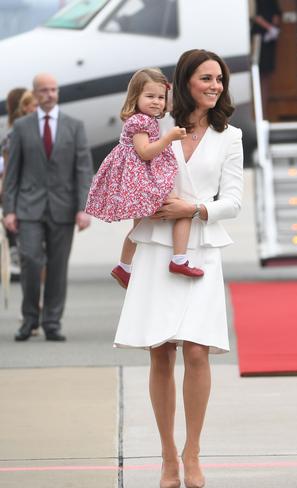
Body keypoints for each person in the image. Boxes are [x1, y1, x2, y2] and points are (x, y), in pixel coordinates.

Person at [113, 49, 243, 488]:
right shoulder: (155, 128)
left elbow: (234, 201)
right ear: (185, 81)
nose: (215, 86)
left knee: (196, 351)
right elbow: (131, 175)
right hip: (155, 246)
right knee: (160, 351)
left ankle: (193, 453)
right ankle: (168, 456)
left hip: (200, 248)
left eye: (220, 80)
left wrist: (195, 208)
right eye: (206, 78)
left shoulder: (230, 136)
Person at [84, 68, 201, 289]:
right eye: (150, 96)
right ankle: (179, 259)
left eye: (160, 97)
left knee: (139, 227)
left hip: (138, 176)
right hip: (141, 178)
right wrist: (170, 137)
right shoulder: (141, 121)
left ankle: (124, 267)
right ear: (135, 96)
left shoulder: (144, 119)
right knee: (183, 209)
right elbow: (145, 152)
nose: (156, 102)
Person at [2, 73, 93, 342]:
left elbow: (83, 170)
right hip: (28, 207)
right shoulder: (21, 127)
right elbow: (12, 173)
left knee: (57, 266)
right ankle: (30, 319)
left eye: (53, 89)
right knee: (30, 260)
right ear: (35, 93)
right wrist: (9, 209)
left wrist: (83, 208)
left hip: (63, 208)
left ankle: (52, 321)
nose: (49, 94)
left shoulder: (74, 126)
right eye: (44, 90)